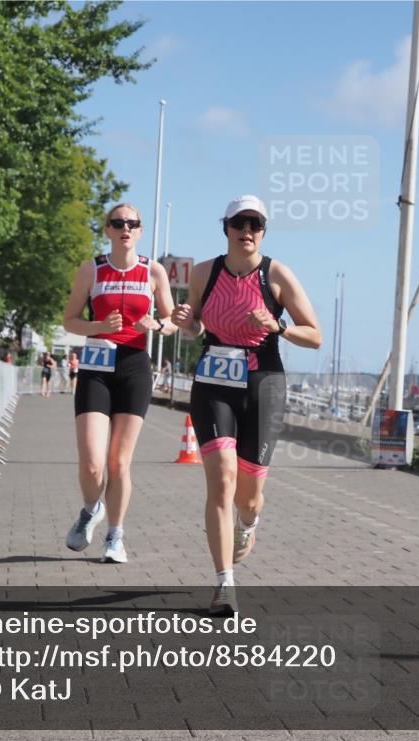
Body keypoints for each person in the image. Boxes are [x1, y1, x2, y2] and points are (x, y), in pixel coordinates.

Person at [172, 195, 321, 614]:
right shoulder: (205, 272)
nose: (248, 231)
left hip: (262, 383)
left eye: (256, 225)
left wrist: (278, 326)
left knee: (249, 496)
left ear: (263, 231)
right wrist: (187, 323)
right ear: (226, 228)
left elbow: (315, 335)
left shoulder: (277, 275)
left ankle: (248, 524)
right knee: (222, 479)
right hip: (214, 381)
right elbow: (196, 326)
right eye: (240, 223)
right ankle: (224, 583)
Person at [61, 203, 176, 563]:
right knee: (92, 463)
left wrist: (157, 324)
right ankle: (90, 510)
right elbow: (69, 320)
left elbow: (172, 319)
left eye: (132, 223)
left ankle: (115, 536)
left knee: (119, 462)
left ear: (140, 231)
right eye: (117, 222)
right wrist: (98, 326)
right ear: (107, 230)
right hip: (96, 365)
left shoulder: (153, 271)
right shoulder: (91, 269)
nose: (125, 228)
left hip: (134, 367)